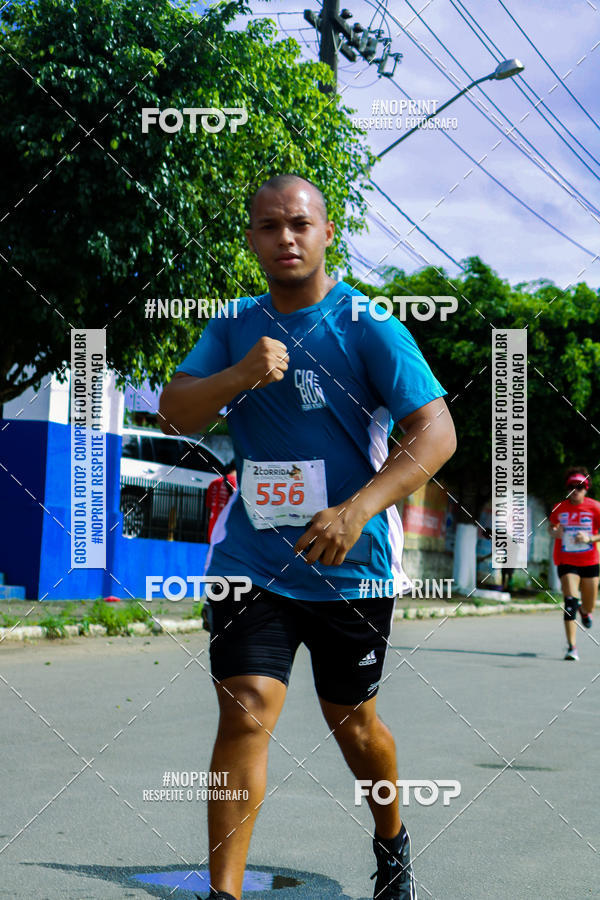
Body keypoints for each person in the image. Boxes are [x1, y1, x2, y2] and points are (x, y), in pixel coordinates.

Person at [159, 174, 456, 900]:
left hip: (350, 566)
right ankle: (223, 893)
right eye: (268, 226)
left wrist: (356, 510)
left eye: (298, 224)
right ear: (252, 239)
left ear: (326, 233)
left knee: (354, 725)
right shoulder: (234, 325)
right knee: (246, 706)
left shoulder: (368, 323)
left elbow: (436, 431)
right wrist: (238, 374)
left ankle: (392, 839)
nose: (284, 238)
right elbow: (175, 411)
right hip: (252, 558)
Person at [548, 467, 600, 661]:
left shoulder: (595, 507)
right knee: (570, 602)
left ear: (586, 489)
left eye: (579, 487)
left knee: (589, 604)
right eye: (571, 487)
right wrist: (555, 532)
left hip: (590, 561)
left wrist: (590, 538)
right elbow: (551, 527)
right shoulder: (559, 507)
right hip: (566, 560)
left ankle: (585, 612)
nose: (575, 490)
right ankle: (572, 647)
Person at [206, 462, 238, 543]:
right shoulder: (236, 483)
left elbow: (208, 506)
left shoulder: (214, 482)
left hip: (213, 527)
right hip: (228, 529)